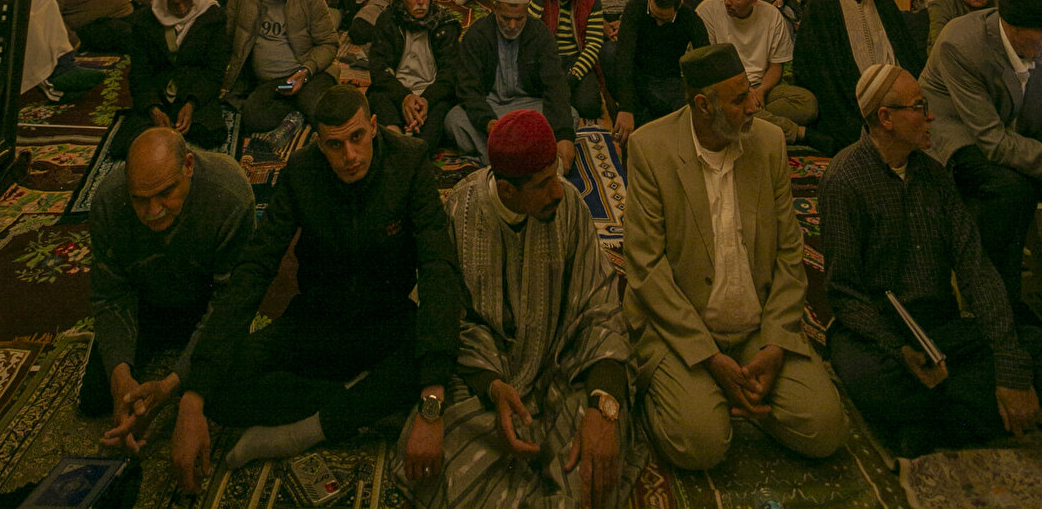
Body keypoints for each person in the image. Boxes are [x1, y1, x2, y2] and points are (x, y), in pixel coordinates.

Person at [175, 85, 461, 489]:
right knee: (215, 385)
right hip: (317, 323)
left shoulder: (409, 162)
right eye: (335, 144)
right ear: (318, 144)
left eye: (358, 137)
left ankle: (305, 429)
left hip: (386, 323)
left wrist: (431, 406)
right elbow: (256, 267)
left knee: (443, 352)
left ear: (374, 127)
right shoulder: (301, 173)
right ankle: (360, 401)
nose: (350, 156)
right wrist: (194, 396)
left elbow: (437, 267)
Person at [820, 63, 1042, 457]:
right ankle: (957, 418)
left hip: (940, 328)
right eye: (919, 107)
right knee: (879, 383)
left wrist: (1008, 364)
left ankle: (925, 429)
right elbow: (844, 293)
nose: (931, 116)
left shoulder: (936, 178)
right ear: (885, 118)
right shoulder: (844, 180)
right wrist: (897, 348)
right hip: (876, 334)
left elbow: (976, 269)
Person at [623, 42, 845, 472]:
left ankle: (732, 390)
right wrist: (710, 357)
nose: (754, 105)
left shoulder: (768, 143)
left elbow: (788, 252)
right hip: (682, 332)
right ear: (703, 105)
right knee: (701, 443)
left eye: (751, 91)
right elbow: (646, 269)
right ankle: (706, 390)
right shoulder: (651, 149)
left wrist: (777, 342)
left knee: (825, 429)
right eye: (740, 98)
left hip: (756, 330)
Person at [410, 109, 645, 507]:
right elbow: (451, 317)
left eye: (556, 174)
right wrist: (492, 386)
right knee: (438, 462)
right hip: (483, 382)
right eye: (542, 184)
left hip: (561, 371)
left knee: (595, 463)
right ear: (506, 191)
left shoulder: (569, 206)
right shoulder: (460, 213)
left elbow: (600, 307)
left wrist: (602, 405)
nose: (558, 190)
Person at [920, 0, 1042, 343]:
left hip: (1017, 135)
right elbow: (993, 143)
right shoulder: (960, 44)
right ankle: (998, 309)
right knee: (1010, 191)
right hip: (958, 135)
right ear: (1013, 30)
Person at [83, 128, 255, 465]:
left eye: (165, 193)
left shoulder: (230, 194)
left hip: (205, 304)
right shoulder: (108, 200)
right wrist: (121, 377)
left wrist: (173, 384)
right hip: (148, 304)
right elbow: (110, 295)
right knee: (95, 399)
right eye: (140, 199)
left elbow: (228, 303)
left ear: (188, 165)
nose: (153, 211)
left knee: (233, 395)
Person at [795, 0, 921, 153]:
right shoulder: (822, 5)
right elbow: (818, 70)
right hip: (845, 100)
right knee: (857, 140)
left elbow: (906, 52)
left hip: (890, 95)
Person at [446, 0, 576, 170]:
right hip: (491, 108)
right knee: (454, 120)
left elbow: (555, 85)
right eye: (506, 18)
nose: (512, 25)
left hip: (529, 107)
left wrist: (564, 136)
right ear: (495, 9)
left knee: (571, 115)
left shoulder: (540, 34)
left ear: (526, 12)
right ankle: (520, 158)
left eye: (519, 19)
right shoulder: (477, 35)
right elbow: (468, 88)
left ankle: (499, 156)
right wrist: (487, 122)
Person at [112, 0, 228, 157]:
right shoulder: (145, 22)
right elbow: (140, 73)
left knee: (211, 134)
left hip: (194, 88)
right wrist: (153, 108)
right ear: (163, 0)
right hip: (158, 91)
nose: (182, 8)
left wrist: (192, 104)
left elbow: (214, 71)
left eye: (186, 0)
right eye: (174, 3)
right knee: (126, 144)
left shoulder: (212, 17)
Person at [698, 0, 816, 144]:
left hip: (762, 88)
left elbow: (776, 66)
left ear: (753, 0)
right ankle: (798, 133)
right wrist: (743, 92)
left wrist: (760, 91)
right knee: (727, 106)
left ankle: (749, 120)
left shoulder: (771, 15)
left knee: (807, 104)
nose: (727, 1)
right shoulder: (708, 10)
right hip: (727, 88)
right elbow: (711, 65)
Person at [223, 0, 339, 132]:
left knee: (323, 113)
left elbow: (330, 43)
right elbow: (227, 39)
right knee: (252, 117)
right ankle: (294, 105)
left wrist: (306, 71)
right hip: (275, 84)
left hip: (306, 75)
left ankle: (302, 100)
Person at [368, 0, 460, 153]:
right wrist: (404, 97)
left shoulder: (444, 23)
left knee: (443, 111)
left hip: (432, 95)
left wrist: (425, 100)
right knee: (377, 99)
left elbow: (450, 74)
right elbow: (379, 71)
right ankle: (395, 139)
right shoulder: (388, 21)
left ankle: (416, 151)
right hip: (396, 91)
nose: (421, 1)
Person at [612, 0, 707, 140]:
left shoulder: (689, 18)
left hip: (668, 78)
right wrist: (626, 107)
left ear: (679, 7)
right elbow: (624, 58)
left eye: (665, 20)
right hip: (637, 72)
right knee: (609, 53)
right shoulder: (636, 6)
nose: (659, 24)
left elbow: (704, 59)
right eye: (654, 16)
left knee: (685, 118)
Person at [526, 0, 605, 122]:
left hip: (575, 59)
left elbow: (594, 42)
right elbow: (526, 34)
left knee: (589, 106)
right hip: (545, 59)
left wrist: (573, 77)